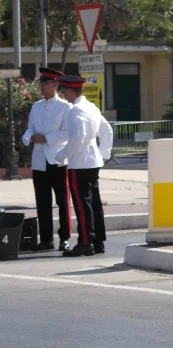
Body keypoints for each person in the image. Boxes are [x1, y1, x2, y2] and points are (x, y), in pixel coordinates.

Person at [56, 75, 114, 257]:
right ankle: (98, 241)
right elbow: (107, 130)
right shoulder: (91, 107)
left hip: (80, 162)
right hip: (93, 160)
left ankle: (85, 242)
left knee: (82, 204)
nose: (63, 94)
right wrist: (103, 154)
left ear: (69, 91)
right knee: (94, 203)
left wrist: (62, 156)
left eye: (63, 90)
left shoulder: (75, 111)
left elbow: (77, 138)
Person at [21, 67, 72, 252]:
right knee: (42, 202)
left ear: (54, 84)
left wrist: (47, 138)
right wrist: (28, 137)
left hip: (57, 159)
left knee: (62, 202)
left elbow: (67, 133)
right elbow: (30, 128)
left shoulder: (65, 107)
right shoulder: (36, 106)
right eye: (41, 84)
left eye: (45, 84)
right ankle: (46, 239)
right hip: (40, 160)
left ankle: (64, 238)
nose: (41, 88)